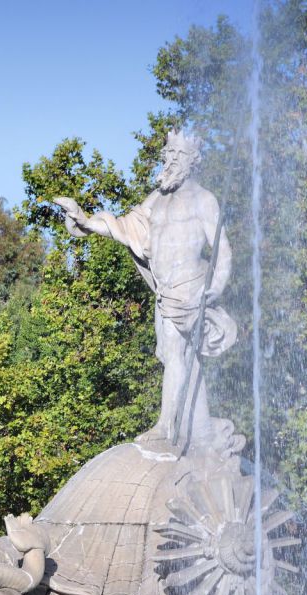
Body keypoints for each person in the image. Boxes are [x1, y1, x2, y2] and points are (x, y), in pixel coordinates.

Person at [54, 130, 235, 449]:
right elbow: (127, 227)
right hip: (165, 291)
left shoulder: (204, 200)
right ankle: (201, 428)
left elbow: (222, 250)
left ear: (193, 162)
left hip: (191, 288)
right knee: (173, 356)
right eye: (167, 155)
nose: (169, 161)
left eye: (177, 157)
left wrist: (216, 286)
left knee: (177, 355)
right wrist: (83, 220)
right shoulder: (158, 199)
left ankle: (167, 427)